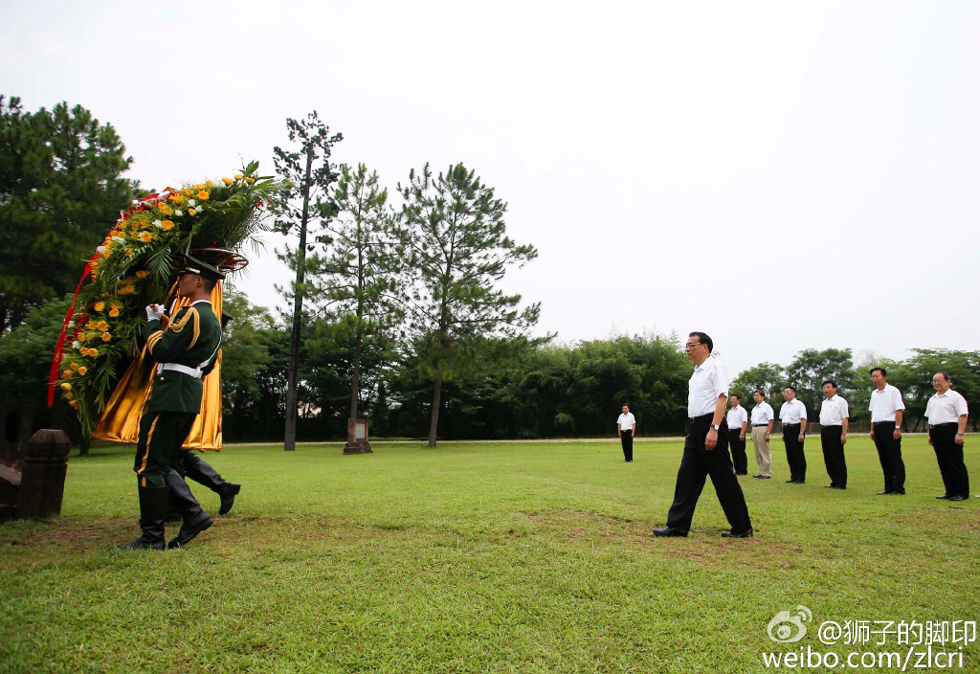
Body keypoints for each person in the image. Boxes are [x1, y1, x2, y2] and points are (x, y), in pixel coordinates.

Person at [116, 256, 225, 550]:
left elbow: (163, 349)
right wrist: (166, 320)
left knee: (149, 464)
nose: (179, 281)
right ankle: (193, 515)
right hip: (188, 394)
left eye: (184, 276)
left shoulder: (191, 314)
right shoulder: (212, 320)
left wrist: (152, 324)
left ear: (198, 281)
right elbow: (203, 359)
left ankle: (153, 537)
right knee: (165, 462)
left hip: (169, 395)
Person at [654, 332, 753, 538]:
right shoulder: (696, 372)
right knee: (687, 476)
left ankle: (742, 527)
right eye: (686, 345)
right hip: (695, 429)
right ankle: (677, 526)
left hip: (710, 426)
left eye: (691, 345)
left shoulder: (716, 367)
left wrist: (714, 429)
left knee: (723, 477)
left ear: (705, 347)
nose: (687, 349)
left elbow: (721, 398)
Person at [925, 371, 969, 502]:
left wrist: (960, 433)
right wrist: (930, 434)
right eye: (934, 381)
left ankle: (961, 492)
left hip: (949, 430)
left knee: (954, 461)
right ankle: (950, 490)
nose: (936, 383)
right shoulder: (932, 399)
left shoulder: (955, 397)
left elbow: (963, 415)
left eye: (939, 380)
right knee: (943, 462)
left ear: (948, 381)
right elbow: (930, 418)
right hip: (935, 431)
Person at [868, 367, 906, 495]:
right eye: (873, 376)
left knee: (894, 457)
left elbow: (899, 410)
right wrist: (872, 429)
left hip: (890, 426)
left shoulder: (893, 391)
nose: (875, 378)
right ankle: (888, 486)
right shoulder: (874, 393)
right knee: (884, 458)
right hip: (878, 427)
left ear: (884, 377)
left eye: (877, 376)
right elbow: (874, 412)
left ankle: (898, 487)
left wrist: (897, 428)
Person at [818, 380, 849, 489]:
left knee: (837, 456)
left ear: (835, 388)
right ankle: (834, 480)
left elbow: (845, 418)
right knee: (828, 457)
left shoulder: (840, 401)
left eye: (828, 387)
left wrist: (843, 434)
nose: (825, 390)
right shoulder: (824, 402)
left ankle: (841, 482)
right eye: (824, 388)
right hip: (825, 430)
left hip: (835, 429)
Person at [779, 386, 807, 484]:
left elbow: (803, 419)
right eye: (784, 392)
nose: (785, 394)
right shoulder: (784, 405)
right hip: (787, 429)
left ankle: (801, 477)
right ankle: (793, 475)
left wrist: (801, 433)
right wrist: (783, 432)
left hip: (796, 428)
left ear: (793, 393)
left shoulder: (799, 404)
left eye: (787, 392)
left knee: (798, 453)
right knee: (790, 454)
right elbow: (783, 420)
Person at [750, 390, 774, 479]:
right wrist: (752, 433)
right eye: (754, 395)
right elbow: (753, 421)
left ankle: (767, 473)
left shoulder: (767, 407)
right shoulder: (754, 408)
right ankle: (761, 471)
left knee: (764, 451)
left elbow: (770, 420)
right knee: (757, 452)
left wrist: (768, 432)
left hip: (763, 428)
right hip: (755, 428)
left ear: (763, 397)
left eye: (757, 395)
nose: (755, 397)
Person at [726, 394, 749, 476]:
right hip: (730, 432)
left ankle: (743, 470)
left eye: (734, 399)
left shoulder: (742, 410)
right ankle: (737, 469)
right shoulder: (730, 411)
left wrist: (742, 433)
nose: (732, 400)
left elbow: (744, 422)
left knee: (740, 451)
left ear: (738, 400)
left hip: (738, 431)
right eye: (731, 399)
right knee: (733, 451)